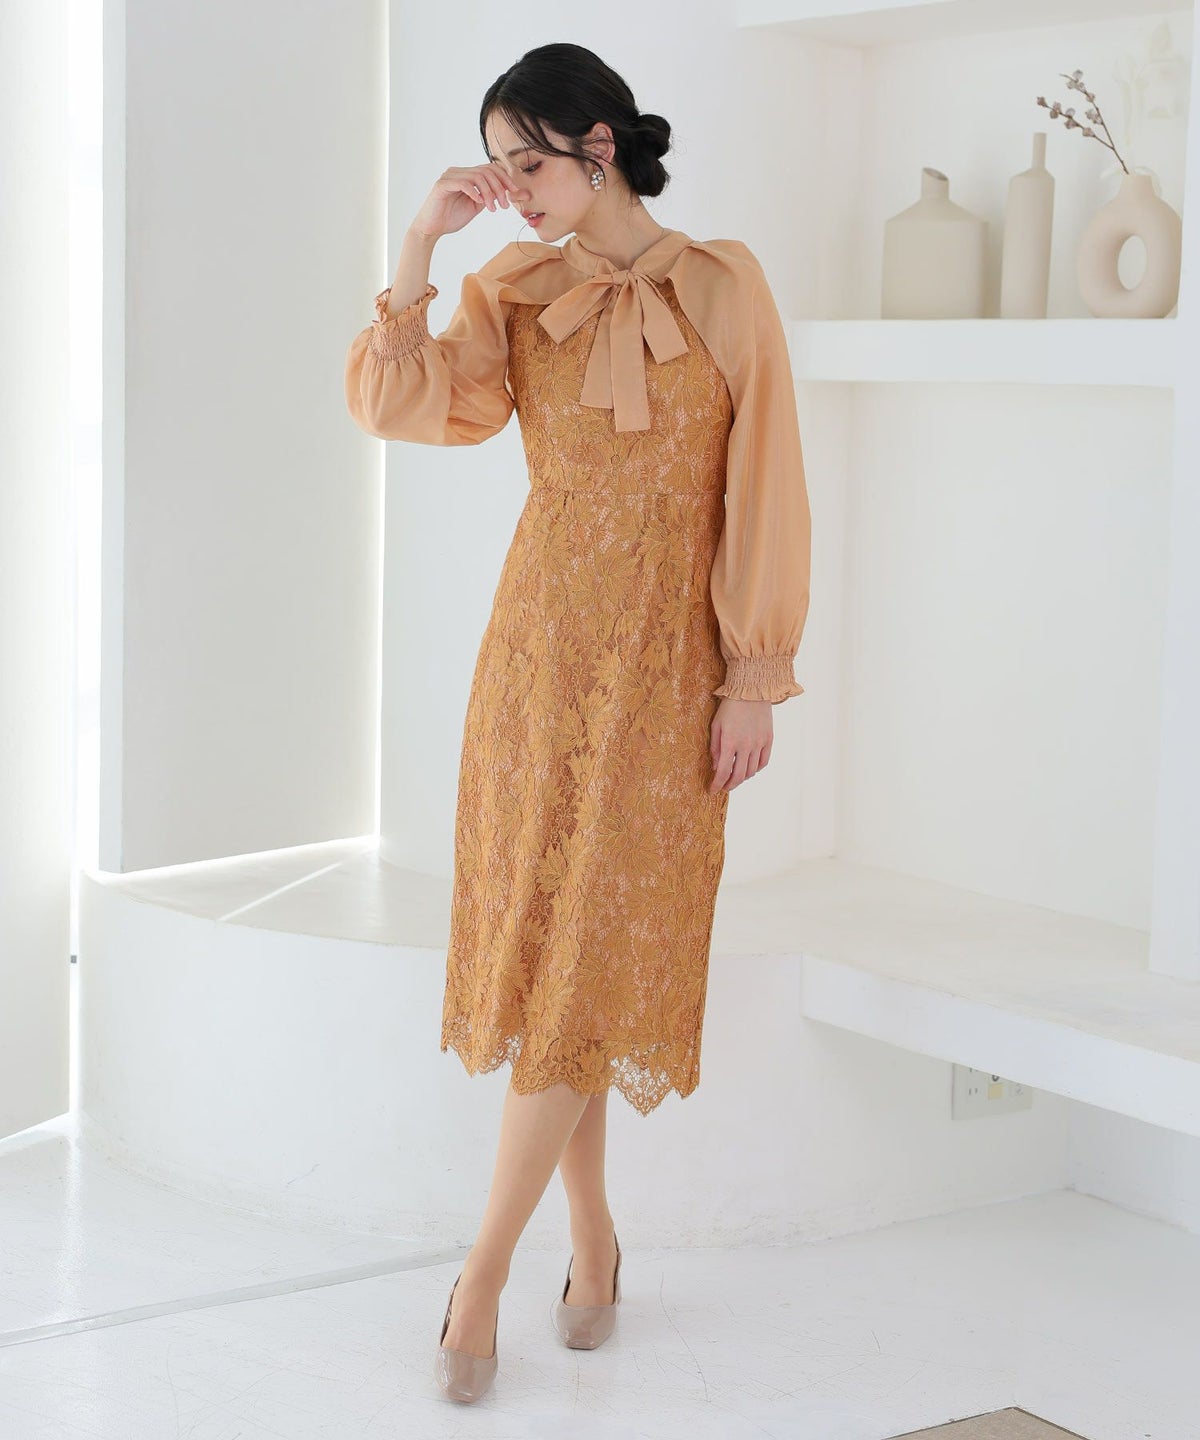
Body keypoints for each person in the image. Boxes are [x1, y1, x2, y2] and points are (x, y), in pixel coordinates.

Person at [344, 41, 812, 1405]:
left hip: (669, 669)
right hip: (540, 659)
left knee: (593, 958)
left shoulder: (725, 286)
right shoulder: (513, 285)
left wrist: (752, 673)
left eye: (528, 163)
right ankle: (588, 1243)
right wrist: (422, 243)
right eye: (498, 166)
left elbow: (768, 480)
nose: (512, 188)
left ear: (598, 148)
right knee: (564, 961)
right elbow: (399, 404)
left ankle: (483, 1271)